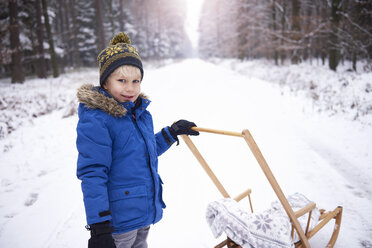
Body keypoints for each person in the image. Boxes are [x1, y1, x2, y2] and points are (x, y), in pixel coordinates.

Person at [76, 32, 199, 248]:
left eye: (136, 81)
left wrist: (171, 132)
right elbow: (93, 172)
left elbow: (143, 151)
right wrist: (99, 225)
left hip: (143, 213)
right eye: (121, 80)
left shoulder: (139, 113)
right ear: (105, 83)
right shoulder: (97, 119)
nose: (130, 88)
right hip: (118, 223)